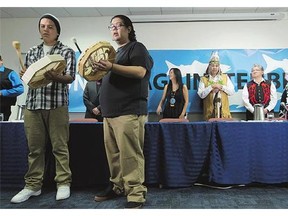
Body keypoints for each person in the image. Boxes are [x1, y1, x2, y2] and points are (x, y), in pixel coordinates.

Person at [11, 13, 76, 203]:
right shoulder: (32, 51)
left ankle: (63, 183)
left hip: (56, 105)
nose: (45, 29)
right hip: (32, 105)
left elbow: (70, 77)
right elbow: (30, 80)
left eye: (49, 26)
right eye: (42, 26)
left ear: (57, 31)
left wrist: (54, 76)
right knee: (34, 149)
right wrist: (25, 74)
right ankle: (33, 185)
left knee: (60, 147)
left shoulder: (66, 51)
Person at [93, 15, 153, 209]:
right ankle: (118, 186)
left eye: (119, 25)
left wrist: (111, 66)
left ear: (128, 29)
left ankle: (136, 193)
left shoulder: (136, 48)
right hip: (109, 113)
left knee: (130, 154)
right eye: (112, 26)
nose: (115, 29)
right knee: (114, 155)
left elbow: (140, 72)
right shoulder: (114, 54)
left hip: (128, 111)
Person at [197, 51, 235, 121]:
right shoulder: (204, 79)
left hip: (224, 114)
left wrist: (221, 87)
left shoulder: (225, 77)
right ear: (209, 66)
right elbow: (201, 95)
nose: (214, 68)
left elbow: (232, 92)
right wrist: (211, 87)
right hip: (209, 114)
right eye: (212, 66)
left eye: (216, 66)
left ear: (219, 67)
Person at [0, 54, 24, 121]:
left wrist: (2, 93)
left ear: (1, 61)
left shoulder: (10, 73)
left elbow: (20, 89)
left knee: (2, 130)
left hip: (3, 109)